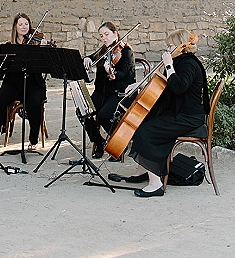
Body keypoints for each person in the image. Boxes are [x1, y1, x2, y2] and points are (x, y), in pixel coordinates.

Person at [119, 28, 210, 197]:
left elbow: (178, 86)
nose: (168, 50)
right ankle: (142, 172)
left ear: (181, 46)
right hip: (180, 113)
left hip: (189, 118)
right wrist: (139, 85)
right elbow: (162, 84)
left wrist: (168, 65)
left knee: (146, 131)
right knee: (145, 121)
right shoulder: (181, 62)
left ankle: (156, 184)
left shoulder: (189, 64)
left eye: (170, 46)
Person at [0, 13, 47, 151]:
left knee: (34, 102)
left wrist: (44, 49)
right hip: (12, 83)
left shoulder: (36, 43)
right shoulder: (9, 46)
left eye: (26, 24)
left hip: (34, 84)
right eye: (20, 24)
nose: (24, 27)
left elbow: (46, 64)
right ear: (15, 27)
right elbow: (3, 68)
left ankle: (33, 139)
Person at [82, 21, 136, 159]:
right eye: (101, 36)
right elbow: (92, 57)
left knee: (104, 116)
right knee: (83, 111)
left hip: (118, 93)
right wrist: (87, 59)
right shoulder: (103, 50)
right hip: (102, 92)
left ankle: (118, 143)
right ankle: (99, 141)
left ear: (115, 34)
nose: (104, 38)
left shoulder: (126, 51)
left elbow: (126, 74)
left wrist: (113, 73)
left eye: (106, 34)